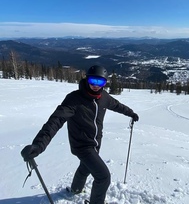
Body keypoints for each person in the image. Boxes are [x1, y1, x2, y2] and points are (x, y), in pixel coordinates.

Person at [21, 65, 139, 204]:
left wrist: (131, 113)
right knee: (103, 176)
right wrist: (38, 145)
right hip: (81, 145)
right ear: (86, 79)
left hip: (95, 143)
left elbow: (117, 105)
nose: (95, 86)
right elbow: (55, 121)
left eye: (100, 82)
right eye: (92, 81)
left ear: (105, 83)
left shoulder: (104, 97)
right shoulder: (74, 100)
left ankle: (76, 189)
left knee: (85, 168)